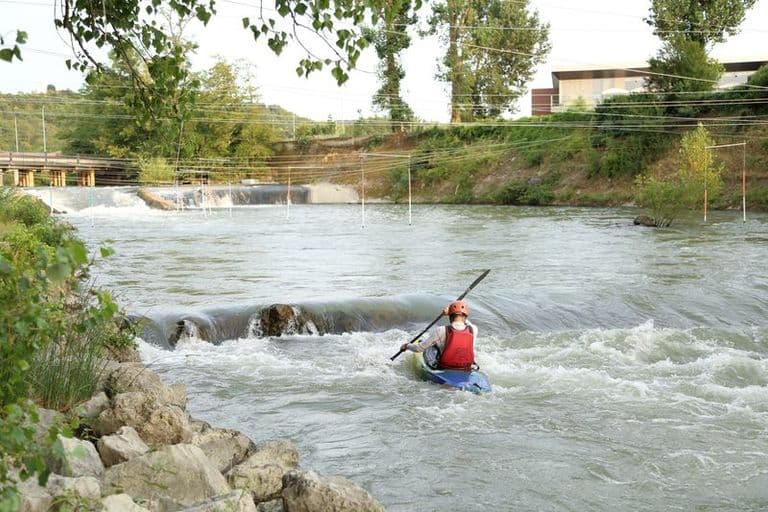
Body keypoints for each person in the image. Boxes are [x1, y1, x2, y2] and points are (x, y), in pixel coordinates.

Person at [399, 299, 477, 371]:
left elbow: (419, 348)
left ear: (450, 316)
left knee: (431, 347)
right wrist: (452, 312)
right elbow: (465, 322)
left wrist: (407, 346)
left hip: (445, 367)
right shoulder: (473, 329)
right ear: (466, 316)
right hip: (466, 367)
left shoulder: (441, 330)